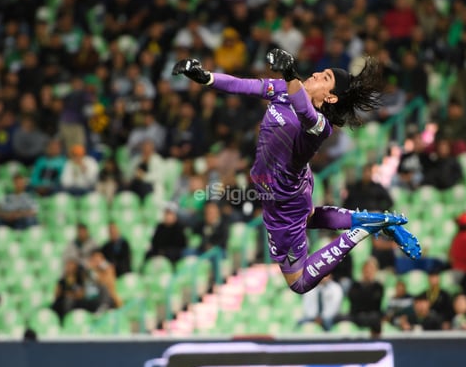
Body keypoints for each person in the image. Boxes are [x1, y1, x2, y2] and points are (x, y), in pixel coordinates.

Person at [172, 50, 419, 297]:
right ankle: (371, 220)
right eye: (321, 72)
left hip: (283, 200)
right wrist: (206, 78)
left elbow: (305, 111)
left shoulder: (321, 126)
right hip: (288, 184)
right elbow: (244, 85)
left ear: (331, 98)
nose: (316, 74)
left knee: (299, 282)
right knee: (308, 218)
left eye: (325, 78)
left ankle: (362, 230)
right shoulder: (284, 90)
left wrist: (291, 74)